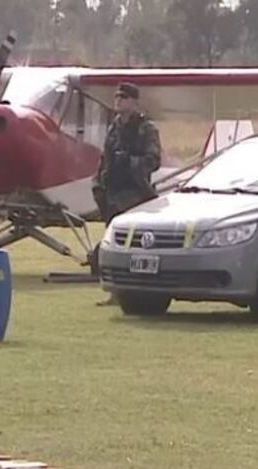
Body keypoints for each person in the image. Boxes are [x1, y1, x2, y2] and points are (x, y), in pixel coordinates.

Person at [92, 82, 162, 305]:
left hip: (134, 194)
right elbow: (105, 157)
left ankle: (139, 291)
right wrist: (99, 181)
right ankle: (115, 292)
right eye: (117, 97)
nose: (118, 100)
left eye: (124, 97)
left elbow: (154, 160)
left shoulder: (146, 128)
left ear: (134, 102)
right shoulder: (114, 127)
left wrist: (131, 163)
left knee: (135, 247)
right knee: (113, 245)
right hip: (113, 192)